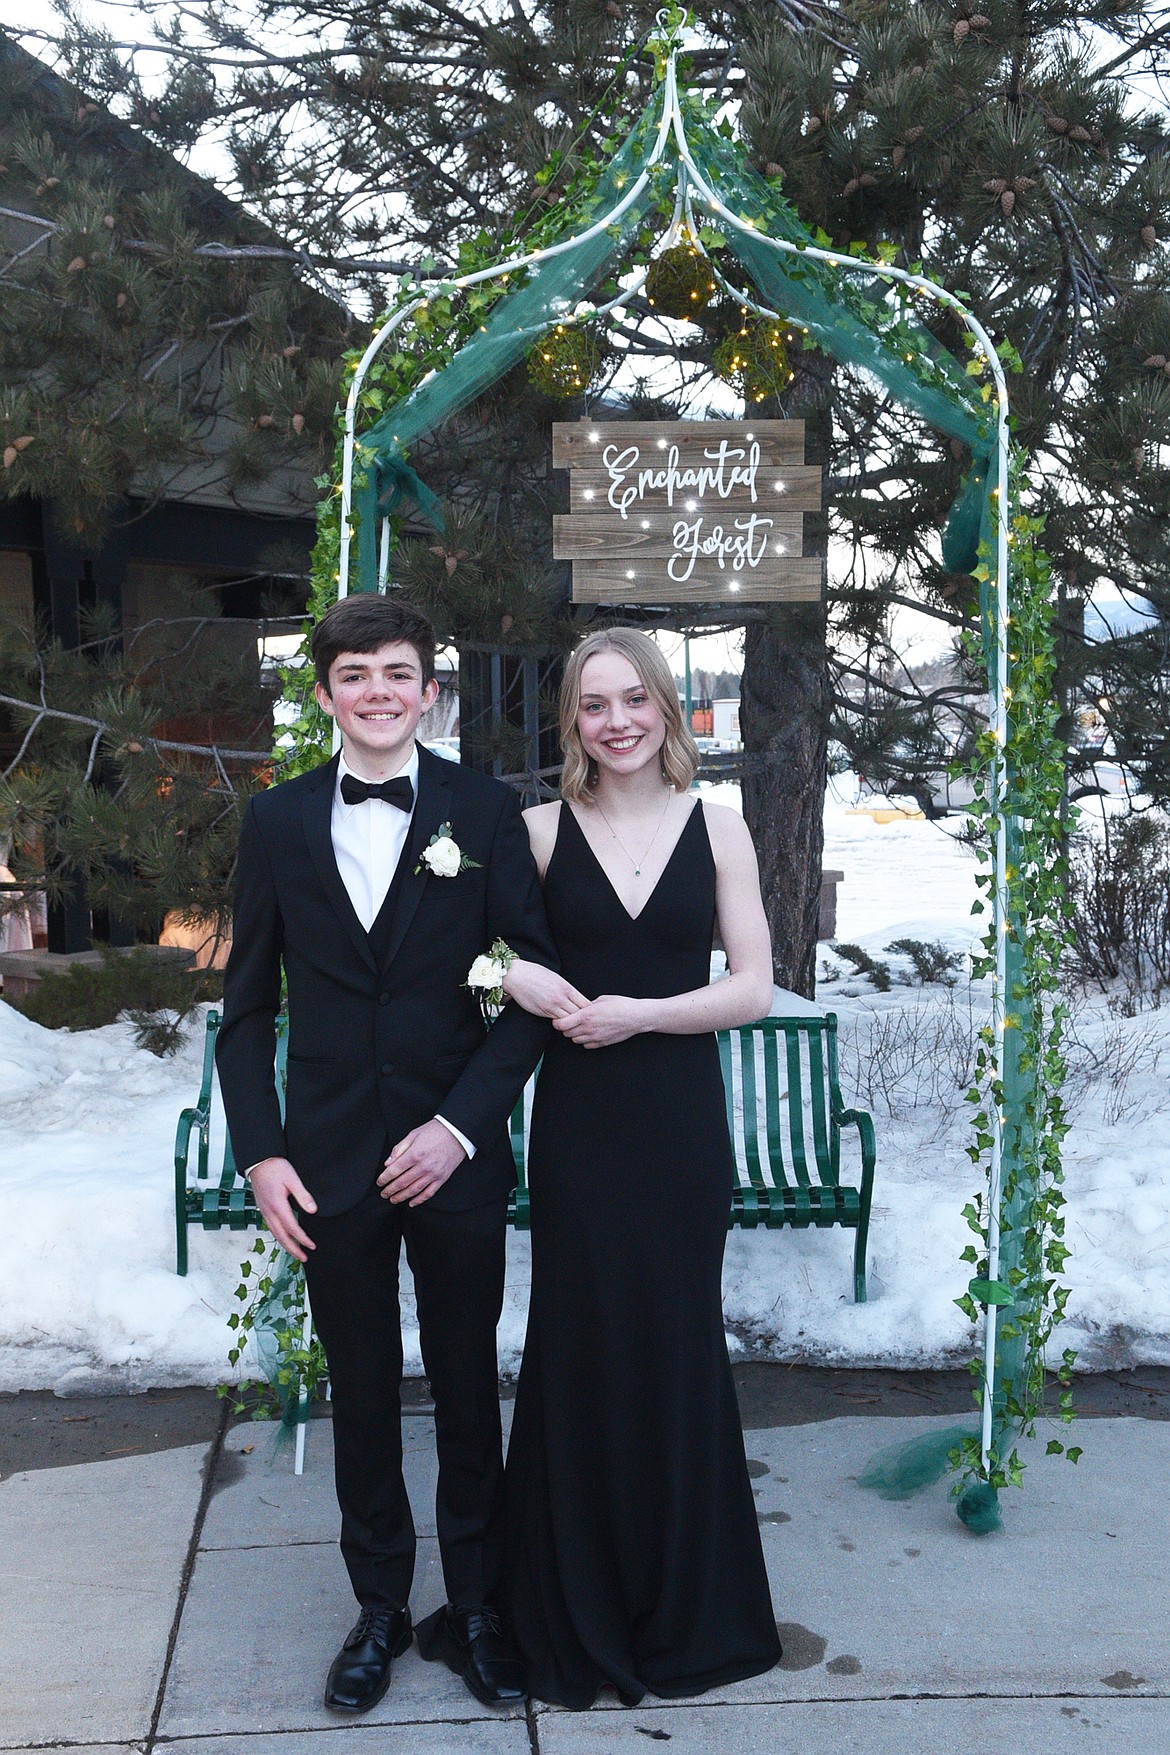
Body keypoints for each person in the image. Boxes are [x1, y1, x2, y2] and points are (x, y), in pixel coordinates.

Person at [216, 594, 556, 1714]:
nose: (377, 692)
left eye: (398, 674)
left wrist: (460, 1128)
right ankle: (375, 1610)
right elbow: (247, 1014)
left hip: (451, 1157)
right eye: (354, 674)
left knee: (466, 1389)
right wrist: (263, 1156)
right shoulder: (274, 824)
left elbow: (530, 995)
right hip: (327, 1166)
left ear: (429, 692)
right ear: (324, 693)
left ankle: (481, 1608)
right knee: (362, 1394)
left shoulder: (484, 810)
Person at [500, 627, 783, 1709]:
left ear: (667, 708)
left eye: (634, 700)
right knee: (578, 1346)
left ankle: (680, 1605)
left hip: (675, 1128)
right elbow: (475, 955)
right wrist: (515, 975)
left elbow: (752, 985)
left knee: (671, 1349)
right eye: (592, 704)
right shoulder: (532, 831)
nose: (616, 720)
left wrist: (645, 1015)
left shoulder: (719, 828)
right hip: (576, 1127)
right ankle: (569, 1603)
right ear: (569, 721)